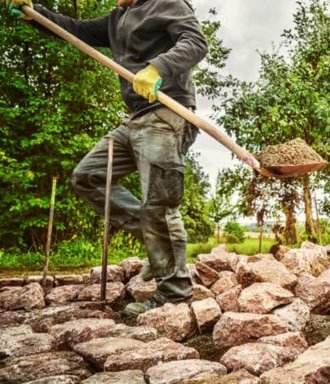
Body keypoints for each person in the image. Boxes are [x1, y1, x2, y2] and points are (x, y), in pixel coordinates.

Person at [4, 0, 209, 316]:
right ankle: (151, 234)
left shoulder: (166, 3)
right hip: (135, 120)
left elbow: (195, 42)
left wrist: (157, 68)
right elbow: (74, 30)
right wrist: (37, 15)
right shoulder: (117, 19)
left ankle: (175, 293)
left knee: (160, 203)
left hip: (167, 114)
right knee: (88, 176)